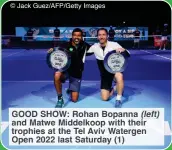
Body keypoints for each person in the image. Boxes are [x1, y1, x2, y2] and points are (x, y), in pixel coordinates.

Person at [47, 28, 91, 108]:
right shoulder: (65, 45)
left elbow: (97, 48)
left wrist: (116, 49)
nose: (76, 37)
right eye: (75, 35)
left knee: (74, 99)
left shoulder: (85, 46)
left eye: (79, 36)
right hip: (65, 71)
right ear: (72, 36)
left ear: (81, 37)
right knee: (57, 75)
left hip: (77, 73)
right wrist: (52, 50)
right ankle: (60, 98)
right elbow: (57, 51)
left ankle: (70, 89)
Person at [87, 28, 130, 107]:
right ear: (97, 37)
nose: (101, 37)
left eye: (103, 35)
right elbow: (84, 52)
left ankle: (118, 99)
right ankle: (114, 88)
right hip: (104, 75)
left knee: (119, 76)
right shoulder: (94, 47)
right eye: (99, 35)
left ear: (107, 36)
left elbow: (128, 53)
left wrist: (123, 50)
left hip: (114, 71)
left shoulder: (114, 44)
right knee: (104, 98)